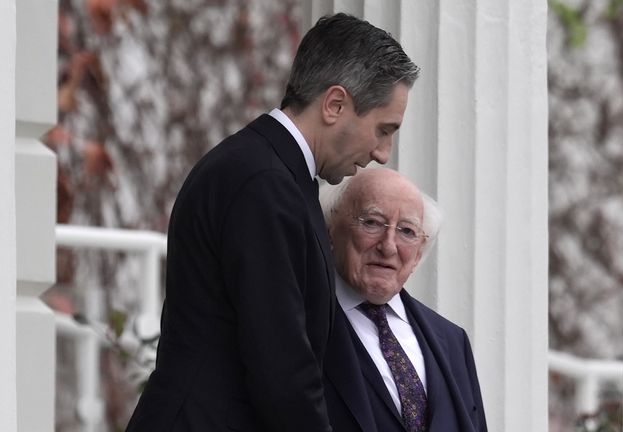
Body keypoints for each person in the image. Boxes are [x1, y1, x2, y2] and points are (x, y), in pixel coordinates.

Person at [125, 13, 419, 432]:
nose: (383, 153)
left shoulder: (269, 171)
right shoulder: (264, 183)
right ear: (335, 104)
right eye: (383, 130)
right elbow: (282, 369)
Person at [319, 167, 487, 432]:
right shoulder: (301, 324)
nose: (388, 246)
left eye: (406, 231)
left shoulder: (453, 342)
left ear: (419, 254)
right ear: (330, 231)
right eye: (371, 223)